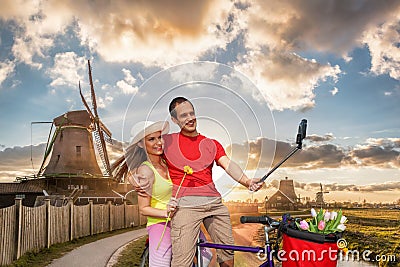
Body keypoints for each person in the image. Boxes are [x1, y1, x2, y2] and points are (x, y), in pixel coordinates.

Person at [163, 97, 264, 267]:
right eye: (183, 116)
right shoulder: (168, 142)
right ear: (174, 120)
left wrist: (246, 181)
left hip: (214, 203)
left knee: (227, 251)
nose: (190, 118)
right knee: (182, 261)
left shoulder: (211, 143)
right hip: (185, 206)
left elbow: (228, 164)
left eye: (192, 113)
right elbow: (147, 156)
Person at [125, 120, 212, 267]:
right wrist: (165, 212)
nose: (158, 142)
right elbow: (143, 208)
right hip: (161, 224)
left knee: (207, 254)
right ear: (141, 144)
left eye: (159, 137)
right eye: (151, 139)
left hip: (183, 222)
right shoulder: (145, 171)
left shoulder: (168, 162)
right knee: (161, 264)